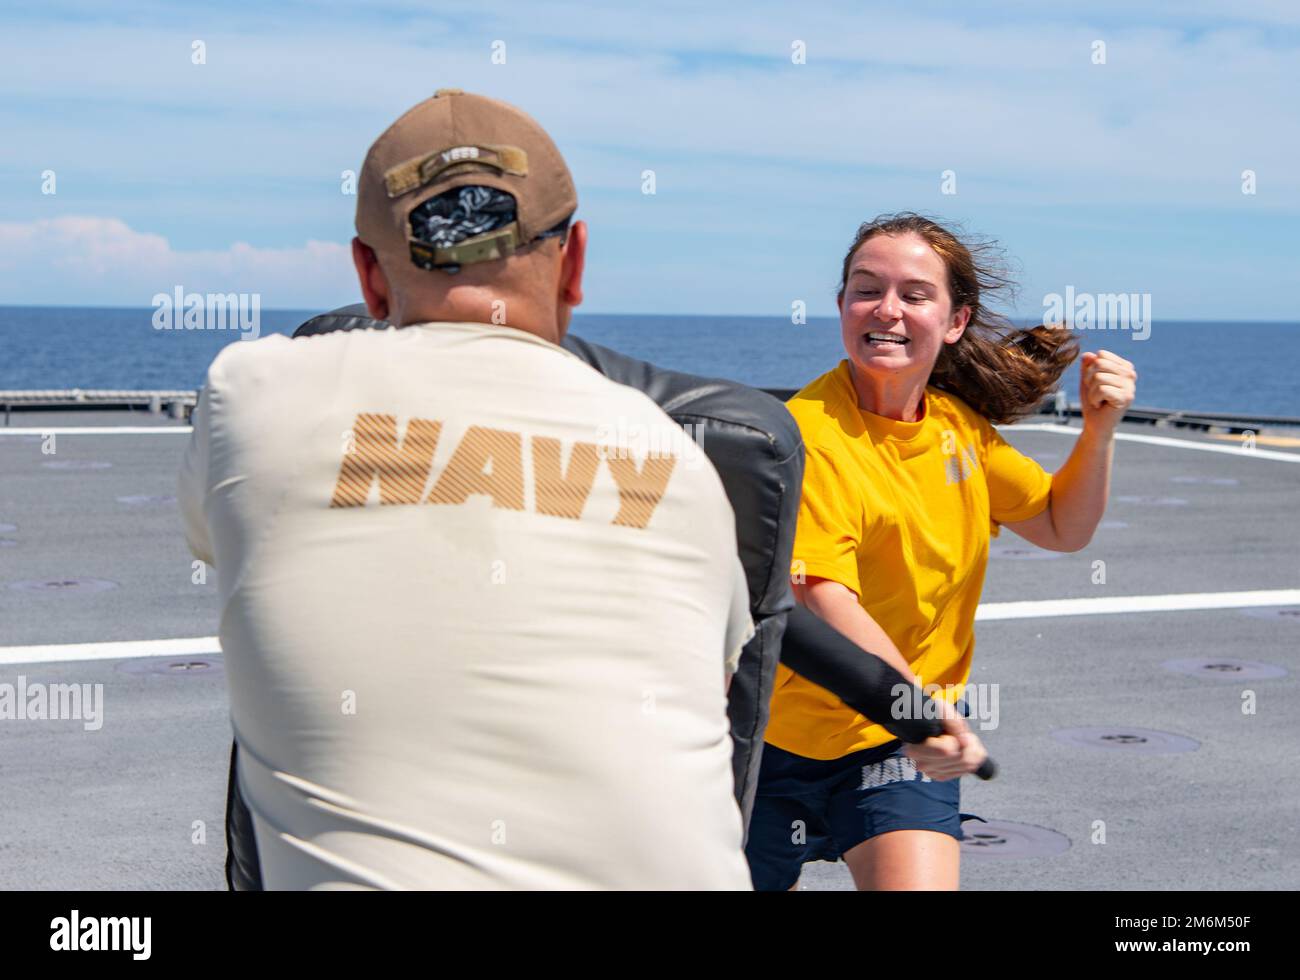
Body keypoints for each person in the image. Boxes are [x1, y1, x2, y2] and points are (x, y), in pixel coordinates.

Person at [181, 89, 757, 889]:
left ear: (367, 278)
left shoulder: (255, 392)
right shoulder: (681, 460)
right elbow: (714, 685)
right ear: (577, 261)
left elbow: (216, 538)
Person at [746, 212, 1137, 891]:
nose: (886, 310)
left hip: (891, 749)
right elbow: (822, 595)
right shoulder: (809, 434)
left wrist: (1099, 433)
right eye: (866, 289)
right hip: (769, 747)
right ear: (841, 306)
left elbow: (1057, 524)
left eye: (914, 294)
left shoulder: (959, 429)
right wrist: (917, 710)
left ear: (954, 320)